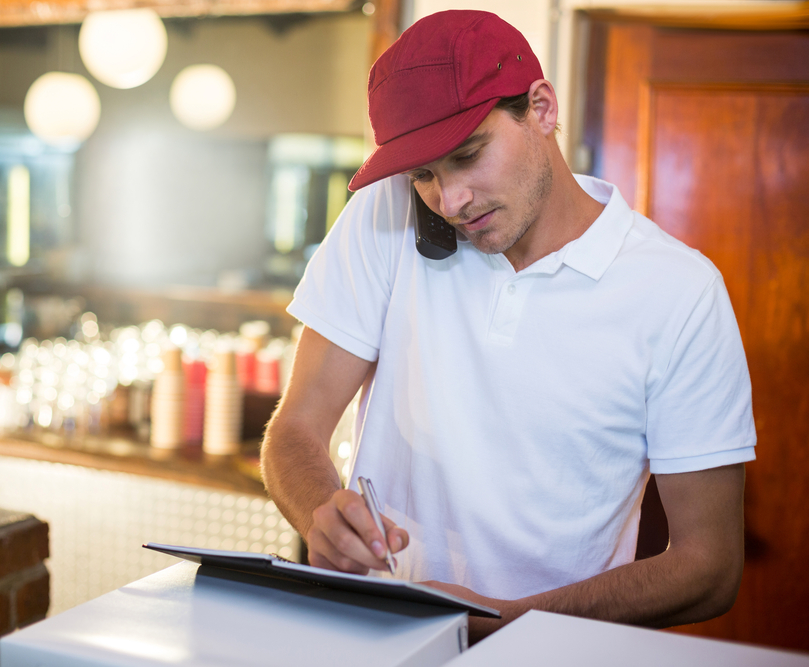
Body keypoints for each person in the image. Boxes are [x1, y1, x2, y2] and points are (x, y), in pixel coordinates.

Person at [260, 9, 757, 642]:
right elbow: (295, 427)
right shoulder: (382, 216)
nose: (451, 200)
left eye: (468, 156)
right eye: (424, 175)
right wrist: (319, 513)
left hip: (550, 653)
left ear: (542, 108)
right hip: (370, 641)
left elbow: (710, 568)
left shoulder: (680, 293)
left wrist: (501, 621)